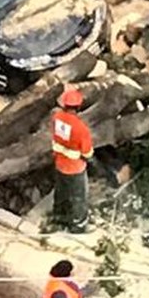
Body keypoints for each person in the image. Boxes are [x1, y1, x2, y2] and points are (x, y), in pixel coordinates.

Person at [50, 85, 93, 233]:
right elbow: (87, 152)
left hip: (59, 162)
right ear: (79, 106)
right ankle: (78, 225)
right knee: (78, 197)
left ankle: (58, 217)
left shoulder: (56, 118)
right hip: (75, 167)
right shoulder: (81, 128)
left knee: (61, 192)